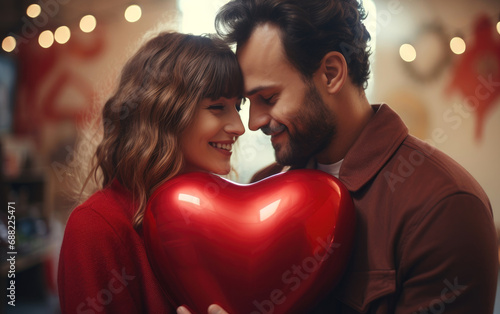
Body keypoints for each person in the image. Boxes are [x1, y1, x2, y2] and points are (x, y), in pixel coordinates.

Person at [179, 0, 498, 313]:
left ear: (331, 73)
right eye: (250, 103)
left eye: (268, 98)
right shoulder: (265, 185)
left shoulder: (443, 206)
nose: (253, 123)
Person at [57, 31, 245, 313]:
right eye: (217, 107)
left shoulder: (220, 213)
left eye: (238, 106)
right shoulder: (96, 227)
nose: (239, 127)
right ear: (164, 113)